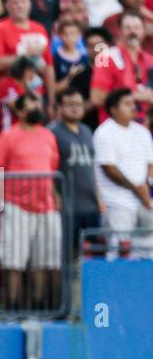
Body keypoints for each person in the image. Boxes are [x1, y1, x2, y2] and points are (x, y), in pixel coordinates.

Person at [0, 91, 62, 310]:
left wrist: (55, 196)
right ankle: (13, 306)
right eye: (31, 105)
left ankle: (39, 306)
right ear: (19, 111)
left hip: (46, 205)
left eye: (38, 103)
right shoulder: (8, 136)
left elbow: (53, 168)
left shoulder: (48, 135)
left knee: (43, 261)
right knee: (14, 262)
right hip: (16, 206)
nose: (36, 107)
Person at [93, 88, 153, 258]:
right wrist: (136, 188)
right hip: (117, 204)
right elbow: (110, 169)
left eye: (133, 103)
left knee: (148, 254)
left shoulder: (142, 132)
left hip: (143, 203)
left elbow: (150, 164)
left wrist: (147, 185)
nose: (133, 107)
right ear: (113, 109)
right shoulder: (104, 133)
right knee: (119, 255)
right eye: (127, 104)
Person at [50, 88, 102, 255]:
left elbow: (92, 167)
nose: (75, 108)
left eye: (79, 104)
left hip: (90, 204)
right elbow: (47, 167)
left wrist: (99, 197)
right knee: (68, 253)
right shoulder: (52, 132)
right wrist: (55, 196)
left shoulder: (87, 130)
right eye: (70, 104)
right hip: (68, 204)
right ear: (60, 107)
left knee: (92, 253)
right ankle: (69, 282)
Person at [0, 0, 55, 111]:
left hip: (36, 91)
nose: (19, 6)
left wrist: (51, 101)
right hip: (10, 92)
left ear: (30, 4)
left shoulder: (39, 29)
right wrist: (25, 55)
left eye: (23, 1)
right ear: (6, 5)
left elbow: (48, 67)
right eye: (15, 2)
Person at [89, 12, 153, 123]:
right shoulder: (105, 56)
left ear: (143, 30)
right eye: (127, 28)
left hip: (145, 129)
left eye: (136, 27)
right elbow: (96, 98)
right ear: (119, 31)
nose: (132, 32)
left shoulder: (150, 60)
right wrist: (136, 96)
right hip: (115, 127)